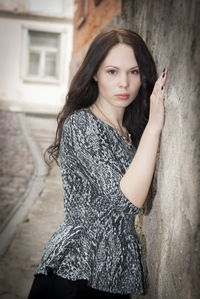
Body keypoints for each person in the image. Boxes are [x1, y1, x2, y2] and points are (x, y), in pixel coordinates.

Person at [27, 28, 168, 299]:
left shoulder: (130, 133)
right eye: (112, 72)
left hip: (116, 278)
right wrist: (155, 126)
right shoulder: (81, 125)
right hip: (73, 275)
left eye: (134, 72)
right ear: (95, 73)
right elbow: (128, 201)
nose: (124, 83)